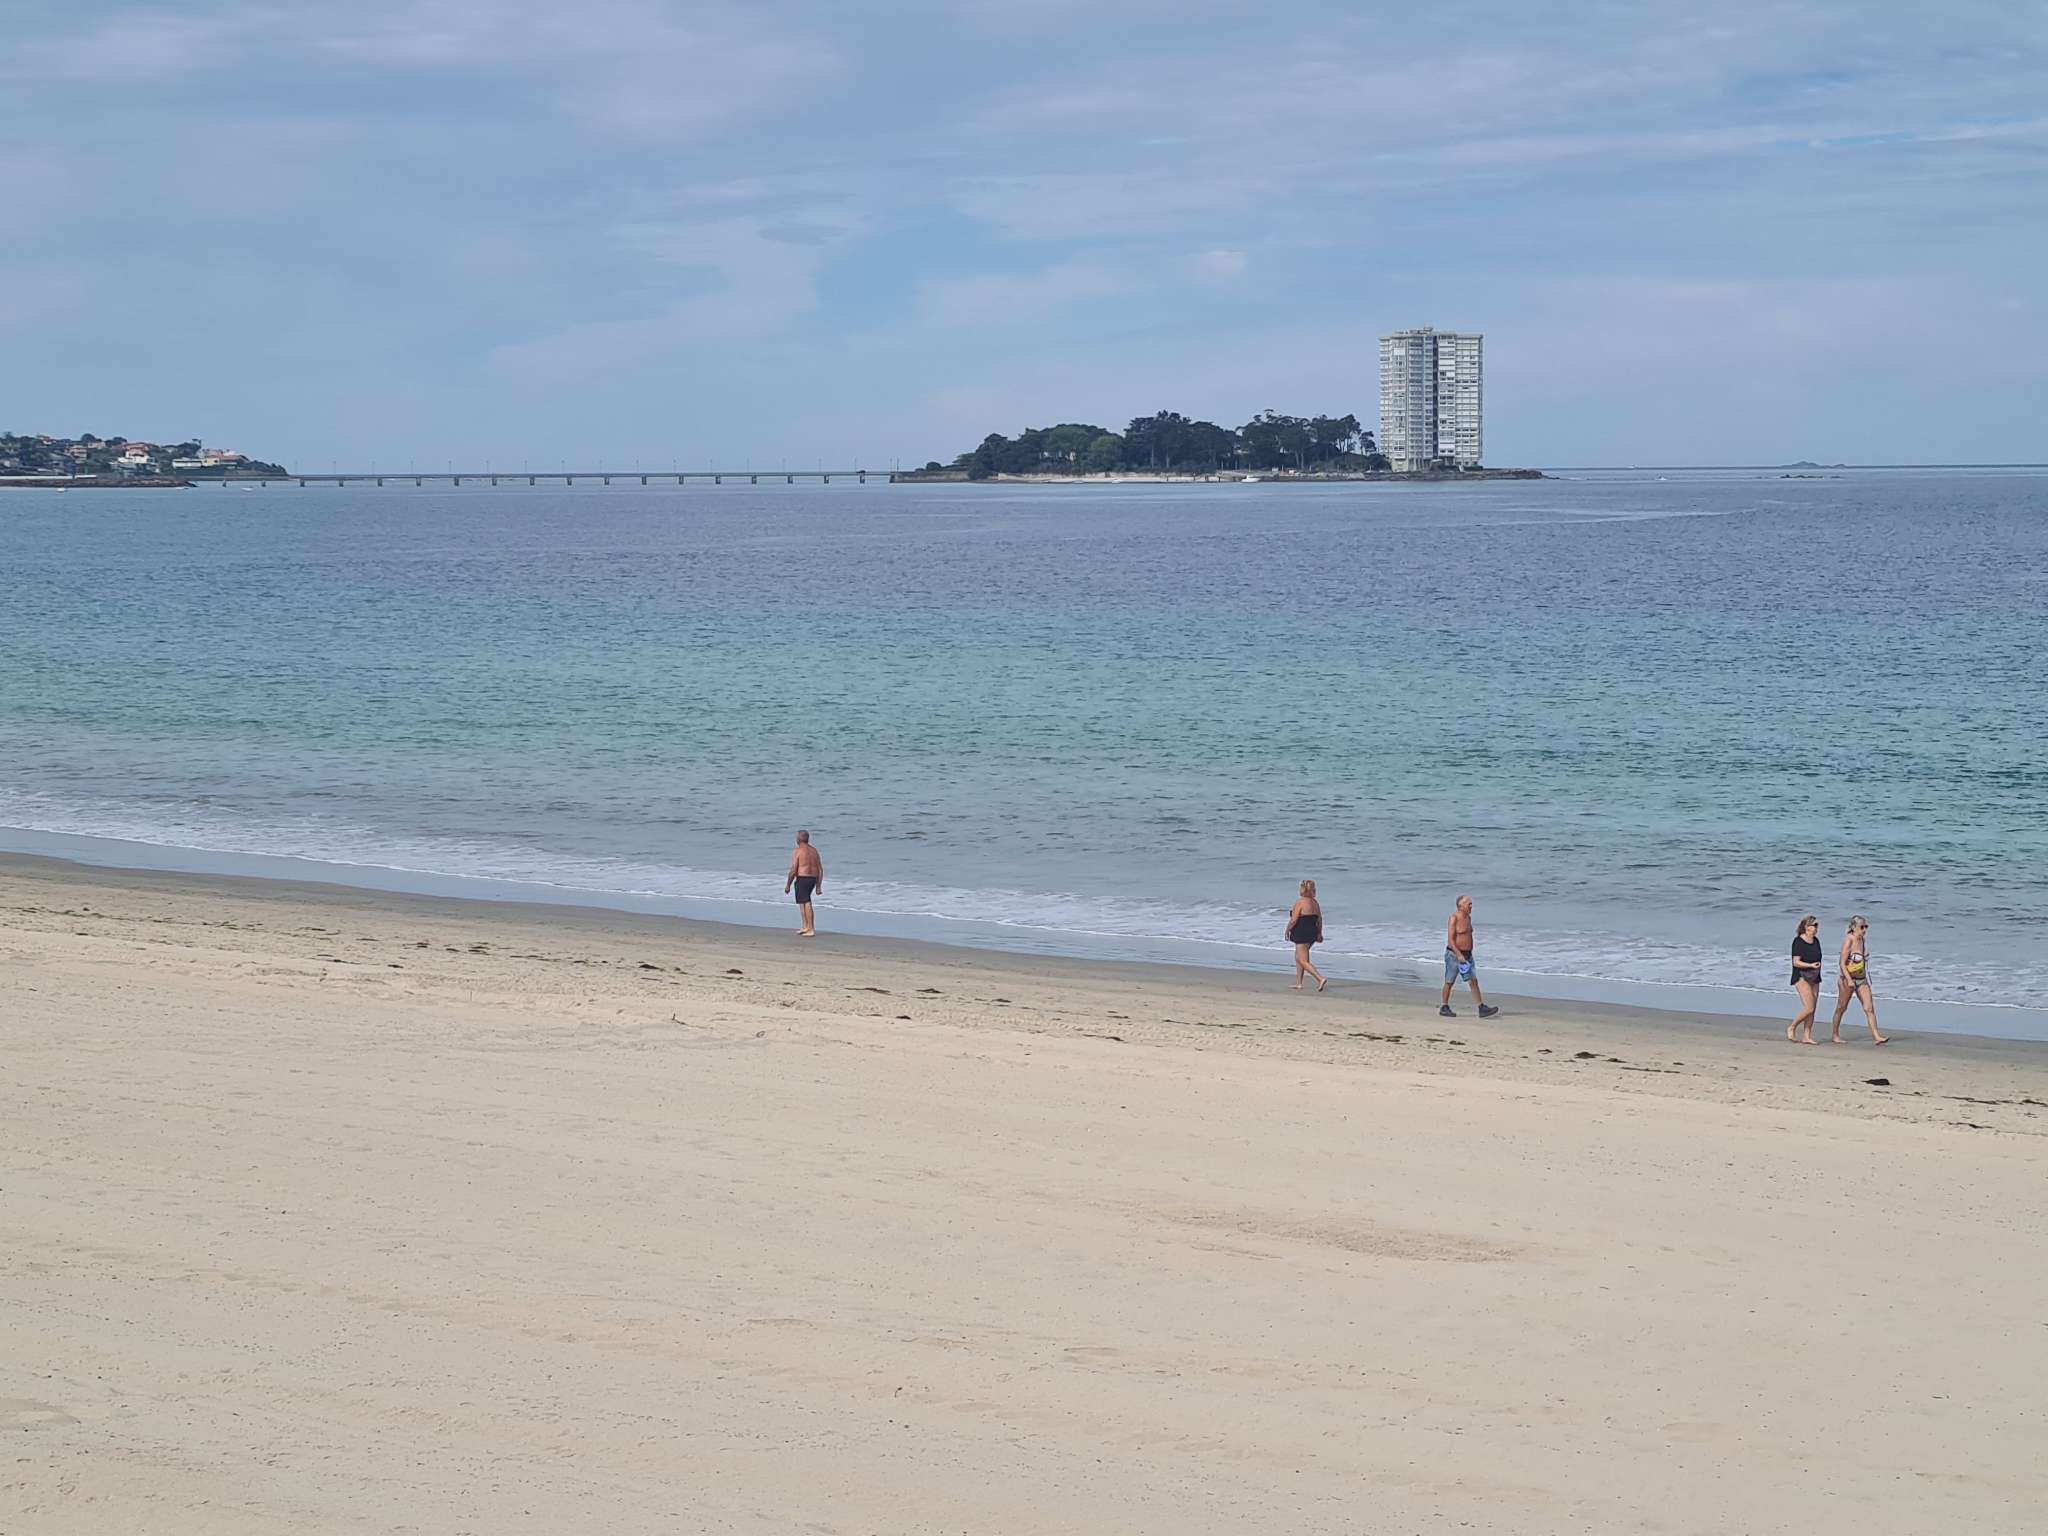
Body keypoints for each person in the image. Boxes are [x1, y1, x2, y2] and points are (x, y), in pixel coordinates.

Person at [1829, 914, 1886, 1044]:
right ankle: (1835, 1034)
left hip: (1861, 979)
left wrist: (1864, 957)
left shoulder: (1862, 940)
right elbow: (1842, 963)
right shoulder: (1849, 940)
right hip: (1847, 979)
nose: (1864, 930)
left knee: (1869, 1007)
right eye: (1862, 927)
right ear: (1854, 927)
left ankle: (1877, 1036)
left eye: (1866, 927)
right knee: (1841, 1007)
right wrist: (1849, 980)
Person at [1440, 894, 1500, 1019]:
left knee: (1473, 981)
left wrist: (1466, 954)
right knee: (1449, 981)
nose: (1471, 906)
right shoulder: (1454, 918)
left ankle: (1481, 1008)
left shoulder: (1468, 917)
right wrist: (1459, 955)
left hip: (1467, 956)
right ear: (1461, 906)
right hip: (1454, 955)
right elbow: (1451, 940)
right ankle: (1444, 1006)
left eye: (1471, 904)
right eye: (1469, 904)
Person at [1787, 914, 1824, 1043]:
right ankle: (1792, 1027)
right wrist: (1810, 965)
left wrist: (1816, 968)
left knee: (1813, 1009)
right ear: (1806, 927)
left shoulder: (1816, 941)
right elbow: (1796, 962)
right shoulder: (1798, 941)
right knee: (1809, 1007)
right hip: (1801, 976)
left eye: (1817, 925)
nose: (1816, 928)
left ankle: (1807, 1036)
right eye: (1814, 925)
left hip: (1814, 976)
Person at [1286, 880, 1327, 992]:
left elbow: (1294, 920)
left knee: (1303, 960)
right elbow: (1319, 919)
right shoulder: (1315, 903)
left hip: (1301, 932)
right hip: (1312, 932)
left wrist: (1287, 930)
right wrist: (1319, 933)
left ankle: (1320, 978)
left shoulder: (1300, 902)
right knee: (1298, 957)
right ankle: (1299, 983)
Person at [784, 829, 824, 937]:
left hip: (803, 878)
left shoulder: (798, 851)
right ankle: (805, 926)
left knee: (806, 901)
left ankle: (811, 928)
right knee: (802, 900)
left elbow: (793, 870)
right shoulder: (814, 851)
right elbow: (820, 869)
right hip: (813, 878)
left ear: (798, 839)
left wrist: (788, 885)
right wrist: (818, 886)